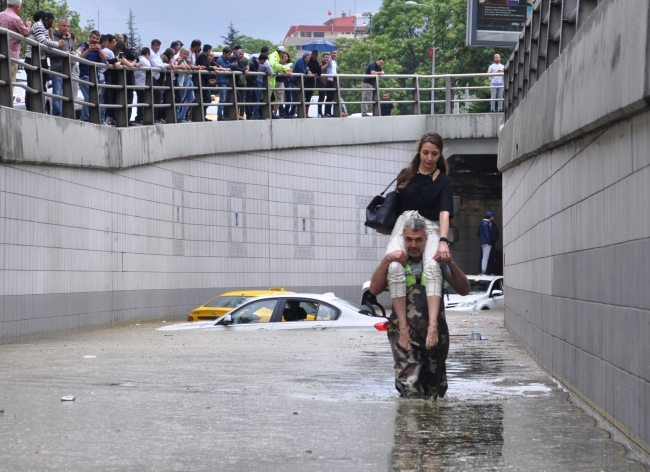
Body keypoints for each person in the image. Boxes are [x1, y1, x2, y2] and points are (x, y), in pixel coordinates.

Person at [369, 217, 469, 398]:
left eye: (418, 240)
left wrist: (451, 263)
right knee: (409, 390)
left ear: (426, 240)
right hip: (404, 335)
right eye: (409, 239)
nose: (413, 244)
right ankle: (409, 426)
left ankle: (431, 426)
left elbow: (464, 290)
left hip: (435, 335)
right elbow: (374, 289)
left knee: (434, 392)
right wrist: (387, 260)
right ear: (403, 239)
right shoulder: (395, 264)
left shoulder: (435, 263)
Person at [384, 132, 454, 352]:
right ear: (419, 152)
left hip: (431, 227)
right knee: (394, 267)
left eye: (434, 154)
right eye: (425, 153)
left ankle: (433, 324)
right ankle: (403, 326)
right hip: (404, 225)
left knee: (433, 267)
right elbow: (394, 207)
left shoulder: (443, 181)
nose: (429, 158)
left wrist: (443, 241)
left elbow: (444, 213)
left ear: (440, 154)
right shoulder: (406, 175)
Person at [25, 11, 64, 111]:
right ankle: (31, 109)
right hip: (32, 58)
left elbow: (48, 42)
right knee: (32, 84)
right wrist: (57, 44)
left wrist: (54, 42)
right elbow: (43, 41)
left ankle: (40, 108)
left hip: (41, 59)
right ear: (50, 19)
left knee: (41, 86)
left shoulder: (44, 28)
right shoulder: (38, 25)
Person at [76, 30, 106, 122]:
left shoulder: (99, 48)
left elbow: (104, 58)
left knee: (94, 98)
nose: (95, 40)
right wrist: (89, 50)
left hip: (94, 77)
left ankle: (92, 118)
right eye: (93, 38)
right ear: (89, 37)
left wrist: (99, 50)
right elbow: (79, 58)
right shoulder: (83, 46)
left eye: (97, 39)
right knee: (88, 98)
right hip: (84, 75)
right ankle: (84, 119)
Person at [0, 0, 32, 84]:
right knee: (9, 83)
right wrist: (28, 26)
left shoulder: (0, 15)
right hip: (11, 56)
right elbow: (26, 33)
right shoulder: (16, 18)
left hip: (0, 54)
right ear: (17, 7)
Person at [49, 18, 74, 117]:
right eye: (64, 26)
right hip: (57, 69)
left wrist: (72, 53)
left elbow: (71, 49)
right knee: (57, 95)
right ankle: (57, 116)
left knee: (67, 95)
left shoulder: (69, 38)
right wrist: (63, 53)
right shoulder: (53, 36)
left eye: (67, 26)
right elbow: (49, 53)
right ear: (58, 25)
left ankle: (66, 116)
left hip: (68, 70)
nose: (66, 28)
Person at [268, 45, 292, 119]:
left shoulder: (276, 57)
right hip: (271, 80)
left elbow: (277, 68)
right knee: (272, 98)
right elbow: (275, 66)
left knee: (272, 98)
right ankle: (272, 113)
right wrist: (287, 68)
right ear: (281, 52)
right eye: (283, 53)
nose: (284, 55)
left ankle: (272, 114)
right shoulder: (274, 56)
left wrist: (285, 70)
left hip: (272, 80)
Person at [289, 52, 311, 118]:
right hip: (294, 82)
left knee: (300, 98)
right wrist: (307, 71)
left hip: (299, 83)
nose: (307, 59)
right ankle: (291, 112)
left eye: (308, 58)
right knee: (295, 98)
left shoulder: (305, 63)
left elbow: (306, 70)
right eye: (307, 58)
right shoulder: (300, 61)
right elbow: (302, 70)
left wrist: (307, 70)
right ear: (304, 57)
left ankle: (296, 112)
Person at [133, 47, 151, 124]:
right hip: (143, 84)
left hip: (135, 82)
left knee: (138, 101)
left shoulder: (137, 59)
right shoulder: (146, 61)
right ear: (147, 54)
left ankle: (138, 117)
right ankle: (140, 117)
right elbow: (150, 72)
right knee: (142, 101)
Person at [477, 211, 494, 275]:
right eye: (493, 217)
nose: (493, 218)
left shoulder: (482, 223)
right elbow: (487, 235)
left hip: (482, 242)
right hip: (487, 242)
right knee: (485, 257)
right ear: (491, 217)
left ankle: (482, 271)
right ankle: (483, 271)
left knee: (483, 257)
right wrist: (490, 242)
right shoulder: (486, 224)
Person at [322, 49, 338, 117]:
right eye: (333, 53)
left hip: (334, 80)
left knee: (332, 97)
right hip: (329, 80)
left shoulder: (335, 61)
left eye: (335, 53)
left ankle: (329, 112)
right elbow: (327, 69)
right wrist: (327, 77)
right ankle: (326, 112)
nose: (334, 54)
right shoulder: (329, 60)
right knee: (329, 97)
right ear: (331, 53)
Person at [305, 50, 321, 117]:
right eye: (313, 54)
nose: (314, 56)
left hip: (311, 82)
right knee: (303, 97)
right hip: (305, 81)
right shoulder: (307, 61)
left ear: (317, 56)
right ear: (311, 54)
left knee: (309, 98)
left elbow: (319, 74)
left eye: (315, 54)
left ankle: (306, 114)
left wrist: (320, 66)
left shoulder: (317, 63)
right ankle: (301, 113)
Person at [316, 52, 331, 117]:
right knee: (321, 97)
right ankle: (319, 112)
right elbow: (320, 70)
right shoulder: (320, 63)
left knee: (327, 96)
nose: (327, 58)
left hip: (325, 82)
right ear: (322, 57)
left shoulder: (328, 63)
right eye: (326, 57)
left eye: (328, 57)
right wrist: (327, 65)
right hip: (320, 81)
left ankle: (326, 112)